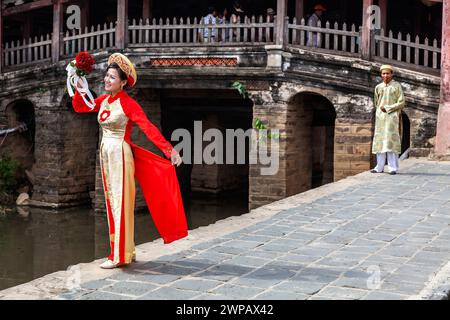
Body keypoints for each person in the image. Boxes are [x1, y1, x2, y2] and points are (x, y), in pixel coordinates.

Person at [72, 53, 187, 269]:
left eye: (112, 77)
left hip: (120, 156)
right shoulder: (104, 100)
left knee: (120, 204)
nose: (107, 80)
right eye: (106, 76)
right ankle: (125, 251)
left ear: (123, 82)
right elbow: (81, 107)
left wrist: (169, 150)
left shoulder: (128, 104)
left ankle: (119, 256)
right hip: (106, 154)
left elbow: (148, 127)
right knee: (111, 204)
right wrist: (78, 85)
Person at [371, 65, 405, 175]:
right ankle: (379, 167)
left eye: (388, 73)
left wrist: (388, 108)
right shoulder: (378, 87)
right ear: (381, 75)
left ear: (392, 74)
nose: (385, 75)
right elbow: (377, 102)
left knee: (391, 141)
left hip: (392, 117)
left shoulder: (396, 86)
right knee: (380, 141)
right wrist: (379, 111)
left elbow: (401, 102)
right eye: (383, 73)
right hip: (380, 117)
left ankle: (392, 167)